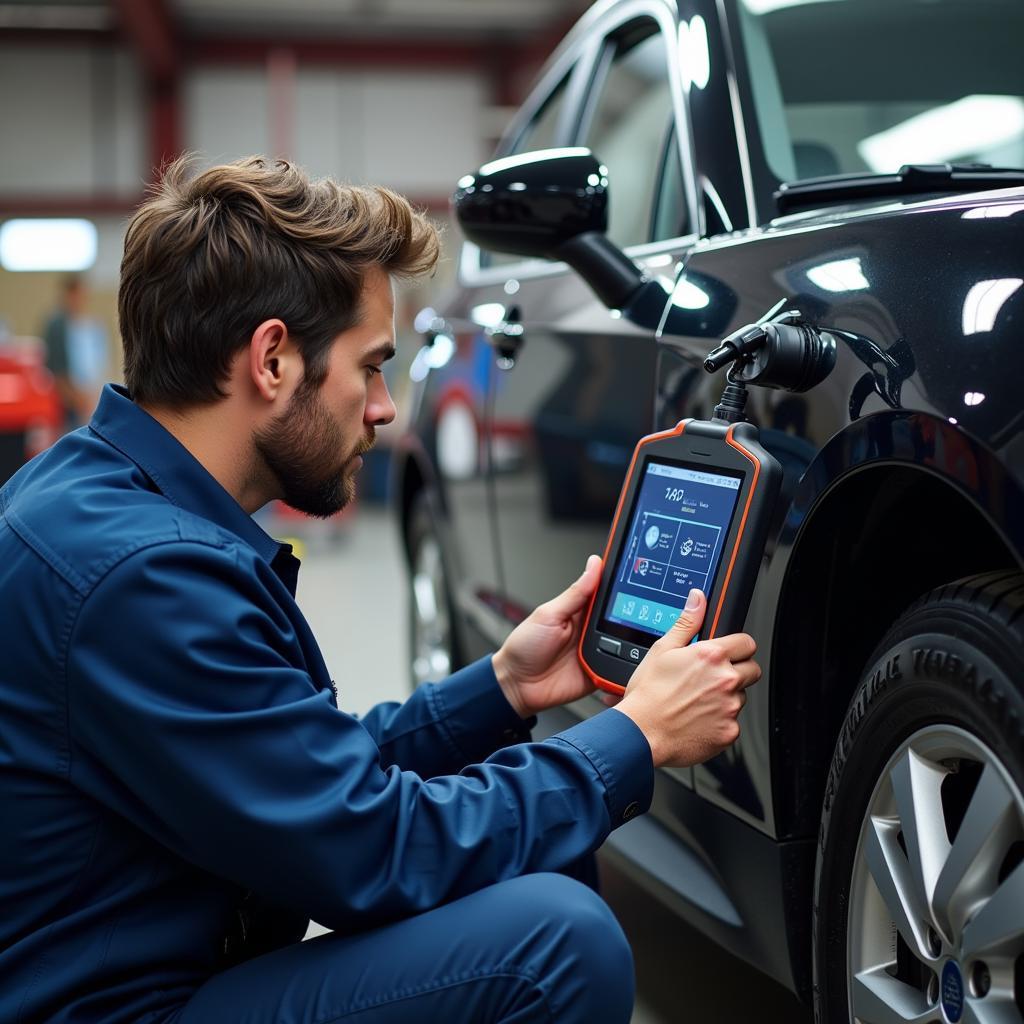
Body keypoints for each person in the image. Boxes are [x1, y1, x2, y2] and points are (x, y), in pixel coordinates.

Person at [0, 156, 760, 1024]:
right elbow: (368, 851)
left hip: (146, 963)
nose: (386, 408)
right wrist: (637, 735)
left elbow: (291, 775)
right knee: (553, 943)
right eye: (369, 368)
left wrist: (504, 687)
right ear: (273, 360)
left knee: (540, 852)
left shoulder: (97, 496)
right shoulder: (144, 579)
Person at [41, 274, 110, 428]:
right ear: (68, 295)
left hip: (86, 395)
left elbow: (96, 365)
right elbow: (56, 367)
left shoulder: (89, 325)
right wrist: (75, 397)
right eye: (77, 294)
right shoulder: (56, 326)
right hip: (66, 397)